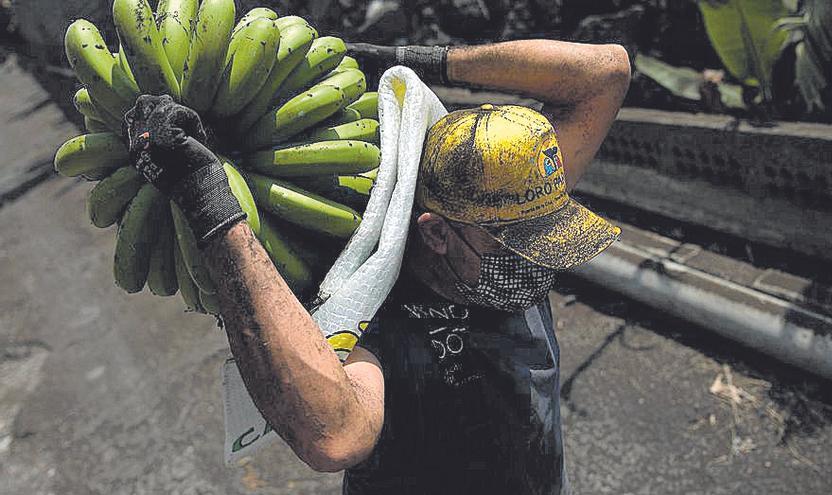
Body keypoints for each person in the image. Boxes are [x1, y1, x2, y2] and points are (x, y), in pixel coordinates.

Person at [124, 38, 631, 494]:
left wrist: (413, 61)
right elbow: (336, 438)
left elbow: (605, 70)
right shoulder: (375, 311)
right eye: (516, 246)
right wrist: (208, 201)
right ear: (435, 232)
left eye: (545, 234)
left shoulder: (511, 198)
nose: (537, 264)